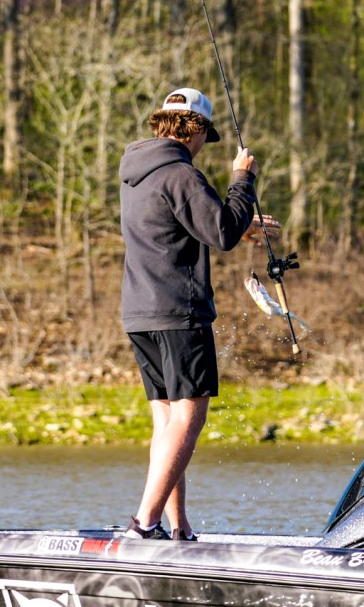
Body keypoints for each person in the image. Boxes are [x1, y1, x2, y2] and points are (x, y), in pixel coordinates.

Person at [118, 87, 279, 541]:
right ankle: (144, 523)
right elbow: (221, 233)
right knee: (189, 417)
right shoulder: (182, 173)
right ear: (197, 130)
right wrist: (242, 180)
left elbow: (184, 225)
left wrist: (238, 223)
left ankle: (177, 527)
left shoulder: (136, 173)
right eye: (206, 136)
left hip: (140, 312)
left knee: (167, 421)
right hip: (179, 311)